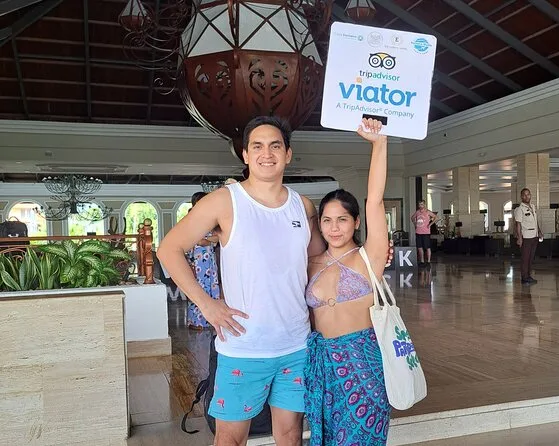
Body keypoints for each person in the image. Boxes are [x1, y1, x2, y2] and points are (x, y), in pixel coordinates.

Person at [157, 116, 391, 446]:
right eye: (258, 146)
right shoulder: (224, 201)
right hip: (243, 348)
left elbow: (319, 262)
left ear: (288, 154)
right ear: (245, 154)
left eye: (275, 146)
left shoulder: (302, 207)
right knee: (229, 439)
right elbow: (168, 249)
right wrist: (206, 304)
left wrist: (371, 256)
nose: (267, 154)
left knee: (291, 437)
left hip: (296, 348)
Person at [304, 118, 391, 445]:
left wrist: (379, 144)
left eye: (342, 219)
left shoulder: (369, 257)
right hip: (322, 364)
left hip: (363, 364)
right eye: (327, 220)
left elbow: (375, 200)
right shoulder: (311, 262)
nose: (334, 227)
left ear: (356, 222)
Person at [185, 191, 221, 329]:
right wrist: (209, 240)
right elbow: (199, 241)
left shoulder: (210, 218)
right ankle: (196, 322)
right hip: (197, 260)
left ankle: (211, 320)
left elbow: (218, 238)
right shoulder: (192, 218)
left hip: (209, 259)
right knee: (199, 289)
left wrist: (208, 240)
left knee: (211, 287)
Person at [514, 188, 542, 285]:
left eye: (528, 194)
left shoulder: (533, 207)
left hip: (534, 236)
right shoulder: (519, 209)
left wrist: (539, 231)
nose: (527, 196)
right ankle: (524, 278)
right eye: (524, 195)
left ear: (530, 195)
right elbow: (518, 224)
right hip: (526, 237)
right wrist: (519, 238)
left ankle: (528, 275)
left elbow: (535, 221)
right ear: (521, 196)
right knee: (525, 258)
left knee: (531, 258)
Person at [411, 200, 436, 265]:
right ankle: (422, 261)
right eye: (419, 204)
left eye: (422, 204)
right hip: (418, 232)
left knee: (427, 247)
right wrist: (415, 224)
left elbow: (436, 217)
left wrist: (430, 224)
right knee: (419, 247)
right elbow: (412, 218)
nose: (420, 206)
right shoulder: (417, 212)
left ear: (424, 205)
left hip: (426, 233)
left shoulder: (427, 212)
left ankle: (428, 261)